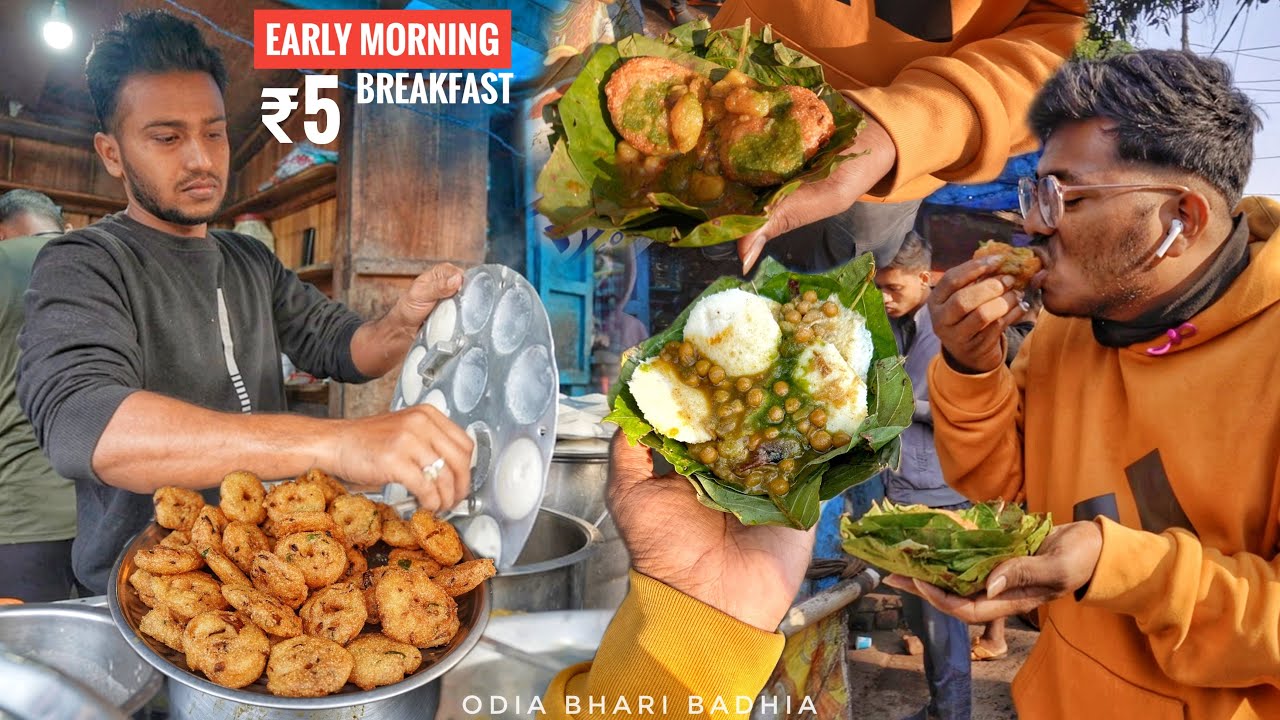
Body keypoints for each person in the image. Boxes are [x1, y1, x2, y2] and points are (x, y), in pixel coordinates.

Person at [17, 10, 472, 596]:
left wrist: (403, 320)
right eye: (167, 137)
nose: (201, 159)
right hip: (143, 595)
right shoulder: (83, 261)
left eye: (213, 132)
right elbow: (89, 424)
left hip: (268, 578)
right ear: (111, 153)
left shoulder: (249, 260)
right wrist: (340, 441)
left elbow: (346, 349)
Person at [889, 50, 1280, 717]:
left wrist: (1116, 564)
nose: (1033, 224)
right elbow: (1003, 491)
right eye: (1030, 193)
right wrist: (970, 366)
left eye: (1062, 196)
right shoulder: (1069, 329)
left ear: (1180, 219)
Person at [702, 0, 1086, 273]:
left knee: (828, 276)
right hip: (731, 76)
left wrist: (902, 127)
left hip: (884, 160)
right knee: (711, 228)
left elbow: (1061, 38)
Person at [873, 231, 972, 720]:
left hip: (943, 490)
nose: (885, 298)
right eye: (879, 288)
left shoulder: (952, 328)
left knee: (941, 619)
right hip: (902, 487)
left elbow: (968, 411)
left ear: (923, 278)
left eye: (893, 288)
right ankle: (940, 706)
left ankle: (952, 712)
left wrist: (896, 407)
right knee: (917, 609)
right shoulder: (895, 325)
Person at [0, 190, 76, 601]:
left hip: (22, 510)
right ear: (63, 225)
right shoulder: (104, 263)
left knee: (23, 655)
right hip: (114, 510)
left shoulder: (3, 265)